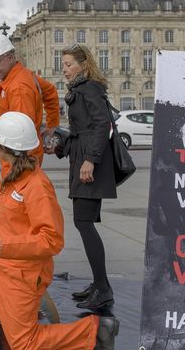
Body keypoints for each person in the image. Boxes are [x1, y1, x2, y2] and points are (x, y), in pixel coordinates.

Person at [0, 112, 119, 349]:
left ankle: (95, 329)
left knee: (24, 344)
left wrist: (7, 246)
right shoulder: (15, 175)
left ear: (2, 147)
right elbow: (9, 205)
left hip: (21, 270)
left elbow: (52, 240)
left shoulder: (36, 185)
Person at [56, 44, 116, 310]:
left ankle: (103, 289)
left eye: (68, 64)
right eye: (64, 64)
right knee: (84, 222)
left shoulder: (89, 88)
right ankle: (99, 284)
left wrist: (90, 160)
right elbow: (81, 131)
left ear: (83, 64)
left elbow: (102, 124)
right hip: (82, 161)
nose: (64, 69)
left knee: (84, 223)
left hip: (90, 165)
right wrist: (60, 147)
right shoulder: (80, 90)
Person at [0, 32, 60, 176]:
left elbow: (19, 135)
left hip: (20, 163)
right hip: (22, 159)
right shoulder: (23, 75)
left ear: (10, 57)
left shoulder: (18, 87)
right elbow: (50, 91)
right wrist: (52, 124)